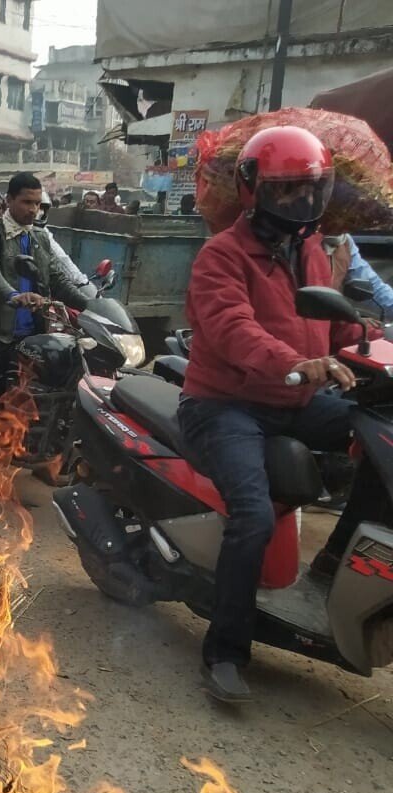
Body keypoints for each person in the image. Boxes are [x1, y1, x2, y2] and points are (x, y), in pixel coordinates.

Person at [177, 126, 389, 703]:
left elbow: (337, 323)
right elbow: (231, 330)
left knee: (377, 439)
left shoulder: (313, 251)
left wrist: (375, 340)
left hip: (294, 397)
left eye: (312, 191)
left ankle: (331, 568)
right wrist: (299, 361)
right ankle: (224, 652)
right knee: (253, 515)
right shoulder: (221, 255)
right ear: (253, 191)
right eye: (288, 191)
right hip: (225, 406)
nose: (302, 203)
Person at [0, 172, 94, 428]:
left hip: (31, 333)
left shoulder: (39, 237)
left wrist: (92, 306)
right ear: (10, 200)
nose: (33, 209)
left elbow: (57, 279)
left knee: (50, 388)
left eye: (37, 204)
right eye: (27, 202)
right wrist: (14, 295)